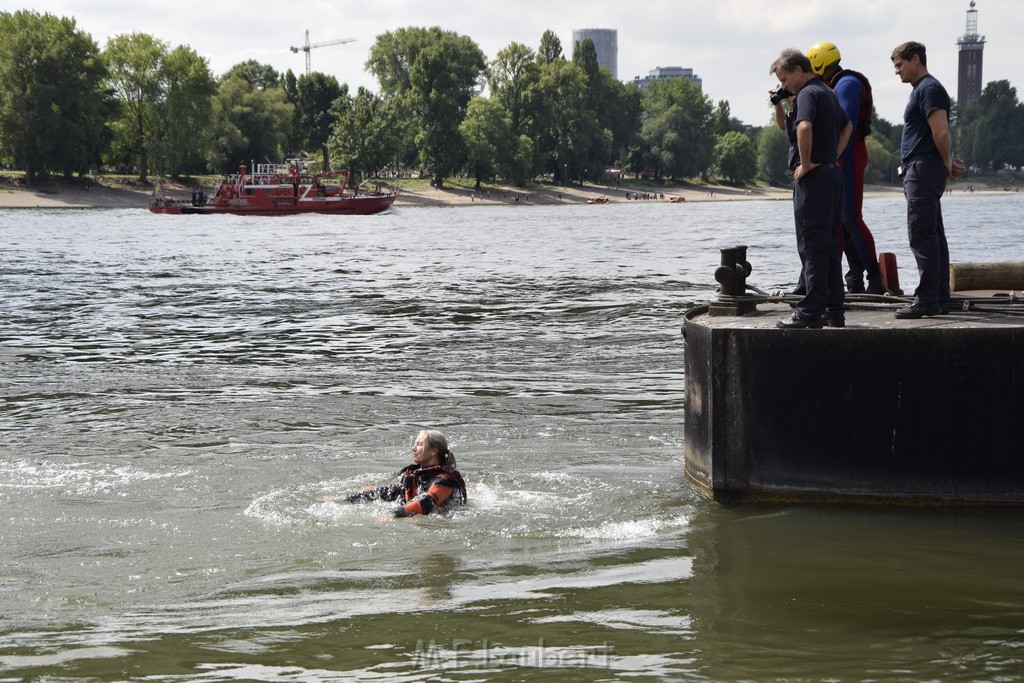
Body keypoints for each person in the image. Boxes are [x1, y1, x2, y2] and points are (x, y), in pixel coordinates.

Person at [771, 48, 853, 329]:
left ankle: (809, 313)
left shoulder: (807, 93)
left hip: (814, 181)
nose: (783, 85)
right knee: (828, 246)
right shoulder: (827, 92)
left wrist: (807, 165)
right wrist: (831, 158)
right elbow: (847, 126)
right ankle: (834, 309)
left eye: (784, 79)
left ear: (798, 70)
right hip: (832, 177)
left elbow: (803, 128)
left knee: (811, 246)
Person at [890, 41, 966, 319]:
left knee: (921, 233)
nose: (896, 71)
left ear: (915, 60)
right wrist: (945, 161)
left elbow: (941, 132)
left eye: (899, 64)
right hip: (923, 167)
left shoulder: (929, 88)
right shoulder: (922, 90)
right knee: (933, 233)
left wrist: (946, 161)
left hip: (923, 169)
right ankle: (938, 297)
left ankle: (926, 299)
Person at [807, 42, 886, 295]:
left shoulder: (848, 83)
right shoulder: (833, 85)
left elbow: (846, 125)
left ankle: (874, 278)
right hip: (839, 156)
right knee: (841, 221)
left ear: (819, 63)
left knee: (850, 217)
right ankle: (855, 278)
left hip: (849, 154)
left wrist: (833, 157)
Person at [325, 429, 467, 517]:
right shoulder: (417, 476)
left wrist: (393, 514)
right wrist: (344, 498)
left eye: (419, 444)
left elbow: (427, 502)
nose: (413, 448)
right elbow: (385, 491)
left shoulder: (444, 479)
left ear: (433, 451)